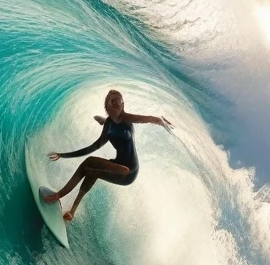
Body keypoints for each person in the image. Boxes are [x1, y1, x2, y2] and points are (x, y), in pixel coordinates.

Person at [44, 89, 173, 223]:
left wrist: (161, 121)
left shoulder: (127, 118)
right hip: (118, 164)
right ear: (107, 106)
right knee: (91, 171)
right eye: (114, 102)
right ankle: (72, 212)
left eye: (121, 101)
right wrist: (63, 155)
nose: (118, 104)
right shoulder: (109, 125)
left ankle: (59, 195)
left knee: (90, 163)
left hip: (129, 170)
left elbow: (150, 119)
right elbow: (93, 147)